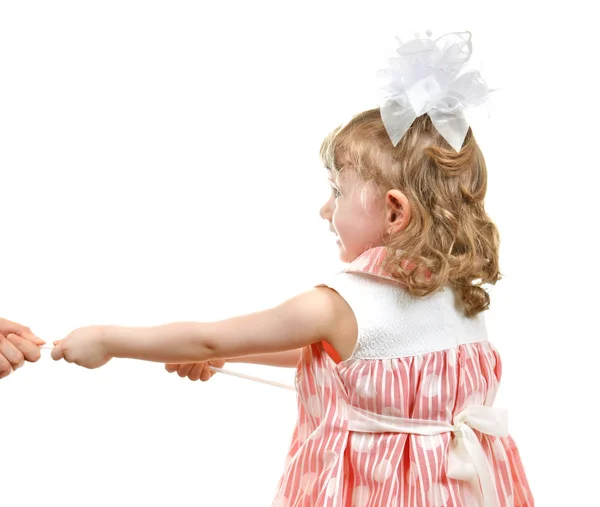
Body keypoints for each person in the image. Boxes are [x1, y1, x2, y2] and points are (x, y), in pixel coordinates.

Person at [50, 32, 534, 506]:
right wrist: (231, 358)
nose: (326, 210)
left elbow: (210, 338)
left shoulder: (340, 304)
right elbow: (350, 358)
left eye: (338, 192)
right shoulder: (455, 294)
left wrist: (107, 341)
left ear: (393, 212)